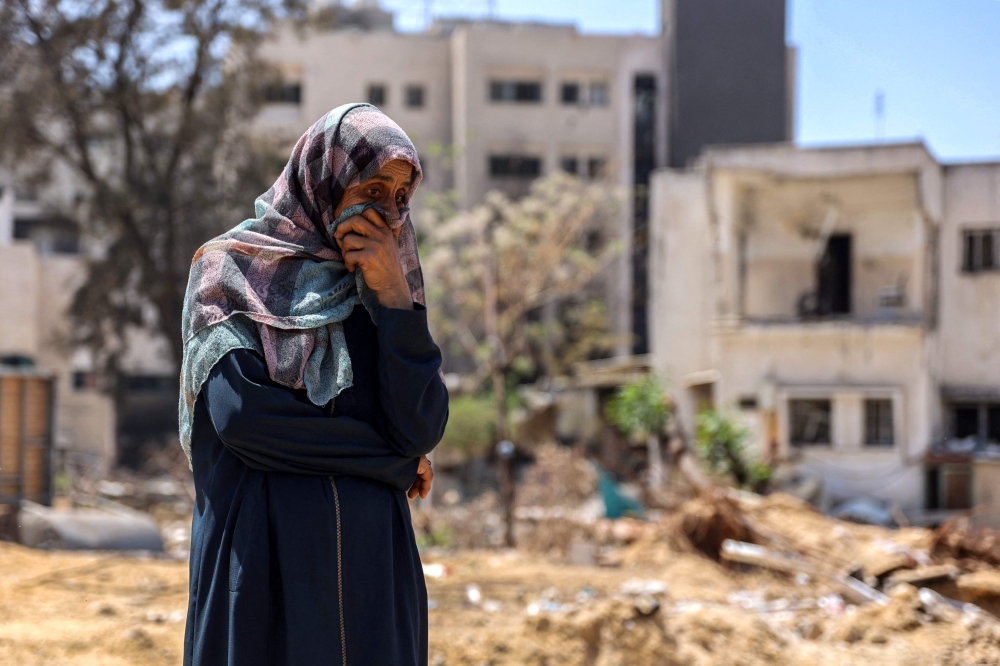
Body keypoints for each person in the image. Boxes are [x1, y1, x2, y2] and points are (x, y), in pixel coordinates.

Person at [178, 103, 449, 666]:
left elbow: (419, 427)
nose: (389, 216)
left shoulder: (379, 293)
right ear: (325, 182)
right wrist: (389, 467)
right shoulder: (227, 273)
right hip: (262, 584)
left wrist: (398, 302)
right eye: (372, 191)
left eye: (400, 199)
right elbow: (247, 422)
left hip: (374, 589)